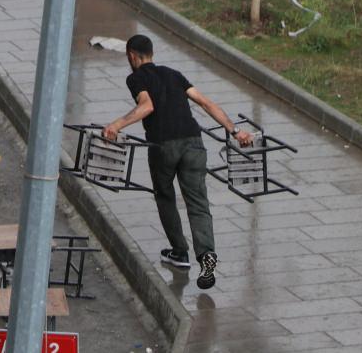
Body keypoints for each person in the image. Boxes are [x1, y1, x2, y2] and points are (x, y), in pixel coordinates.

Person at [102, 34, 253, 290]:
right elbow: (205, 103)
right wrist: (235, 131)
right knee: (197, 201)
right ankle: (207, 255)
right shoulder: (174, 74)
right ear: (152, 53)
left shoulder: (136, 77)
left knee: (165, 195)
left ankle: (180, 252)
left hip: (164, 145)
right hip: (194, 142)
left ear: (132, 56)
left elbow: (147, 106)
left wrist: (116, 124)